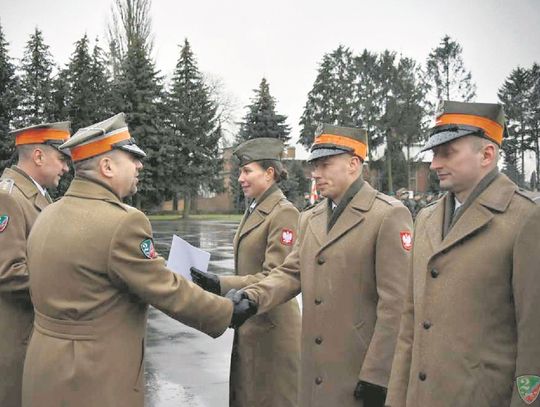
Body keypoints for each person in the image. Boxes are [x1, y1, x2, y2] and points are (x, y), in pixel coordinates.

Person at [21, 113, 252, 407]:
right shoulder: (123, 223)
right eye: (131, 158)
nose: (139, 165)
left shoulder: (48, 213)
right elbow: (165, 289)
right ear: (106, 166)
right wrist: (226, 311)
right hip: (94, 380)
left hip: (44, 371)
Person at [228, 124, 413, 407]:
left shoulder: (386, 216)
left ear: (353, 164)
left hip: (357, 372)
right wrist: (253, 298)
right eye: (315, 165)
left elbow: (396, 306)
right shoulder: (311, 217)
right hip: (313, 371)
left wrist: (379, 375)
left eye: (325, 165)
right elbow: (291, 271)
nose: (316, 174)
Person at [386, 101, 539, 407]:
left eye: (448, 153)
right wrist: (396, 398)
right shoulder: (427, 218)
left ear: (487, 155)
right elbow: (411, 322)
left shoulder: (525, 219)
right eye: (434, 154)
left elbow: (534, 334)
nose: (434, 164)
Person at [191, 137, 301, 407]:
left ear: (269, 173)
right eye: (240, 171)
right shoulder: (255, 208)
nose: (240, 178)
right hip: (252, 322)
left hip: (273, 331)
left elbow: (276, 275)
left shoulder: (283, 213)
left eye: (247, 170)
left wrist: (220, 283)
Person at [0, 121, 71, 406]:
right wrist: (69, 284)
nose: (66, 168)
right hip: (15, 338)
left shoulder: (34, 194)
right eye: (62, 159)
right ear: (39, 156)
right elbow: (7, 272)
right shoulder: (8, 197)